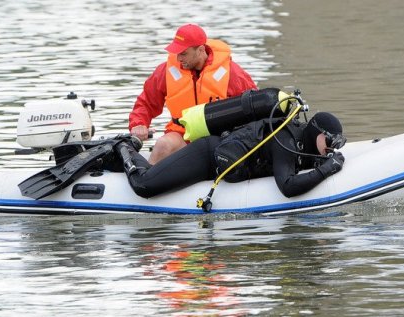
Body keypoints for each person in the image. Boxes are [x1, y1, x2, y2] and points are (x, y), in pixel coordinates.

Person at [116, 112, 346, 199]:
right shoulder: (285, 140)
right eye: (330, 140)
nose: (332, 147)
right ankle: (123, 146)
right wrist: (327, 169)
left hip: (226, 165)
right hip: (207, 155)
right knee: (144, 185)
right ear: (316, 133)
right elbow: (287, 186)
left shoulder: (305, 147)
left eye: (337, 143)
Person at [128, 24, 258, 164]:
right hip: (182, 136)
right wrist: (139, 124)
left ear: (201, 50)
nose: (178, 59)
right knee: (163, 144)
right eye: (177, 53)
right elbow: (146, 103)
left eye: (184, 53)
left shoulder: (232, 73)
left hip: (219, 137)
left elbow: (253, 107)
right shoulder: (166, 71)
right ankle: (145, 182)